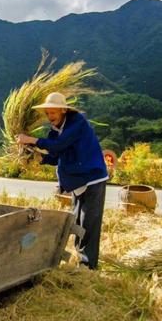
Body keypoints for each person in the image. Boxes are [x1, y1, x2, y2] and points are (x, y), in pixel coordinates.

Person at [16, 92, 108, 270]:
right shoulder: (55, 131)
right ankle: (81, 258)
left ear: (63, 111)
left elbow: (59, 145)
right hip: (76, 181)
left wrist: (30, 139)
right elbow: (55, 155)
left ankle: (88, 266)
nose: (50, 117)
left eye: (53, 113)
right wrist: (37, 158)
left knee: (89, 222)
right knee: (77, 222)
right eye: (48, 113)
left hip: (92, 178)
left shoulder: (76, 122)